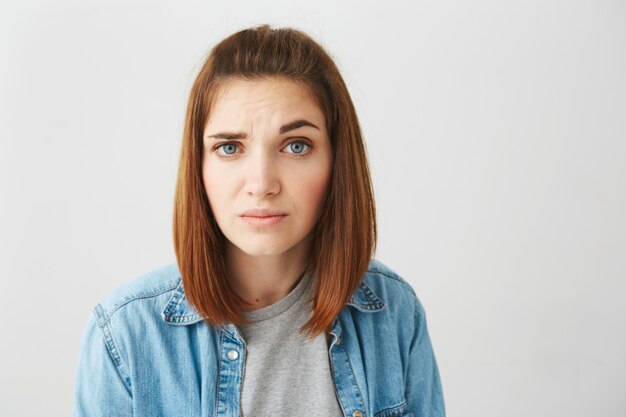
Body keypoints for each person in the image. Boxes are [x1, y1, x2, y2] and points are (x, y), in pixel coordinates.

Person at [73, 24, 446, 417]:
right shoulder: (126, 334)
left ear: (337, 161)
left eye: (296, 146)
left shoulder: (394, 311)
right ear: (198, 167)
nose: (262, 184)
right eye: (229, 147)